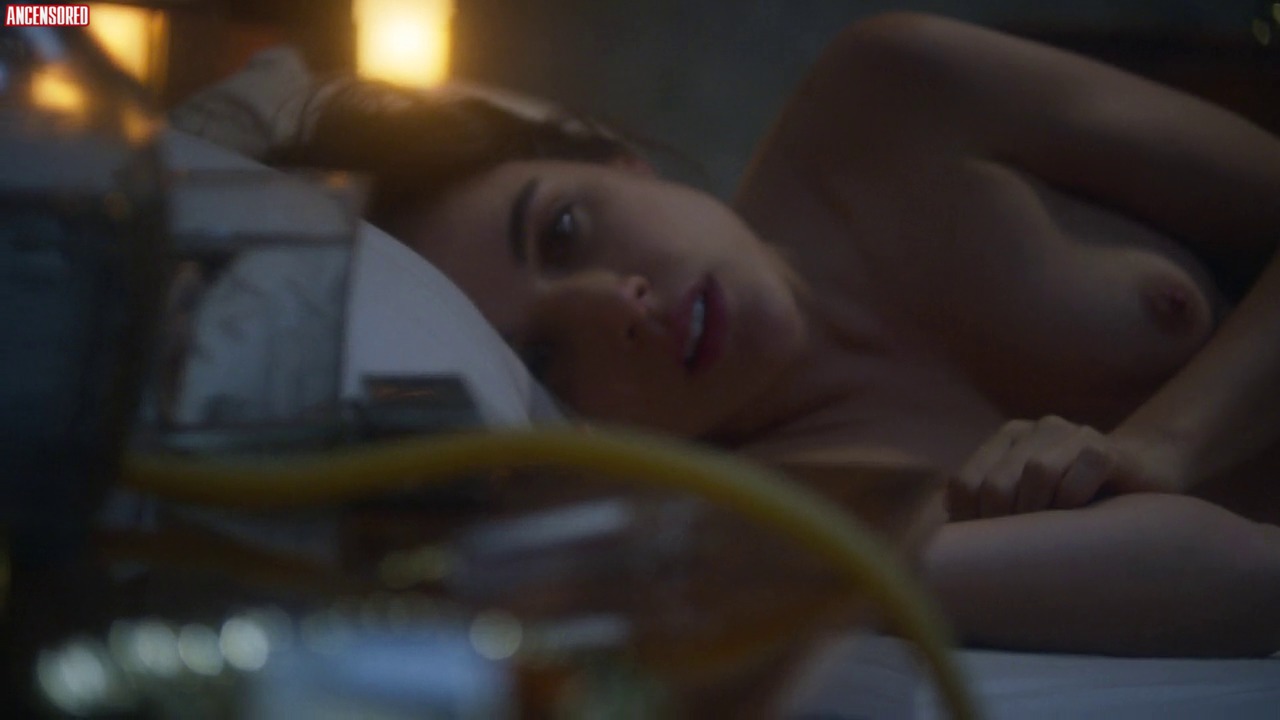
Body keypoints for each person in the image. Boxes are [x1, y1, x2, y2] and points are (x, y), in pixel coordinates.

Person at [270, 13, 1280, 657]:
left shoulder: (896, 92)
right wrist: (790, 576)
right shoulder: (769, 521)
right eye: (544, 358)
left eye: (564, 231)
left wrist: (1165, 444)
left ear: (617, 162)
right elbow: (1244, 579)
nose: (613, 307)